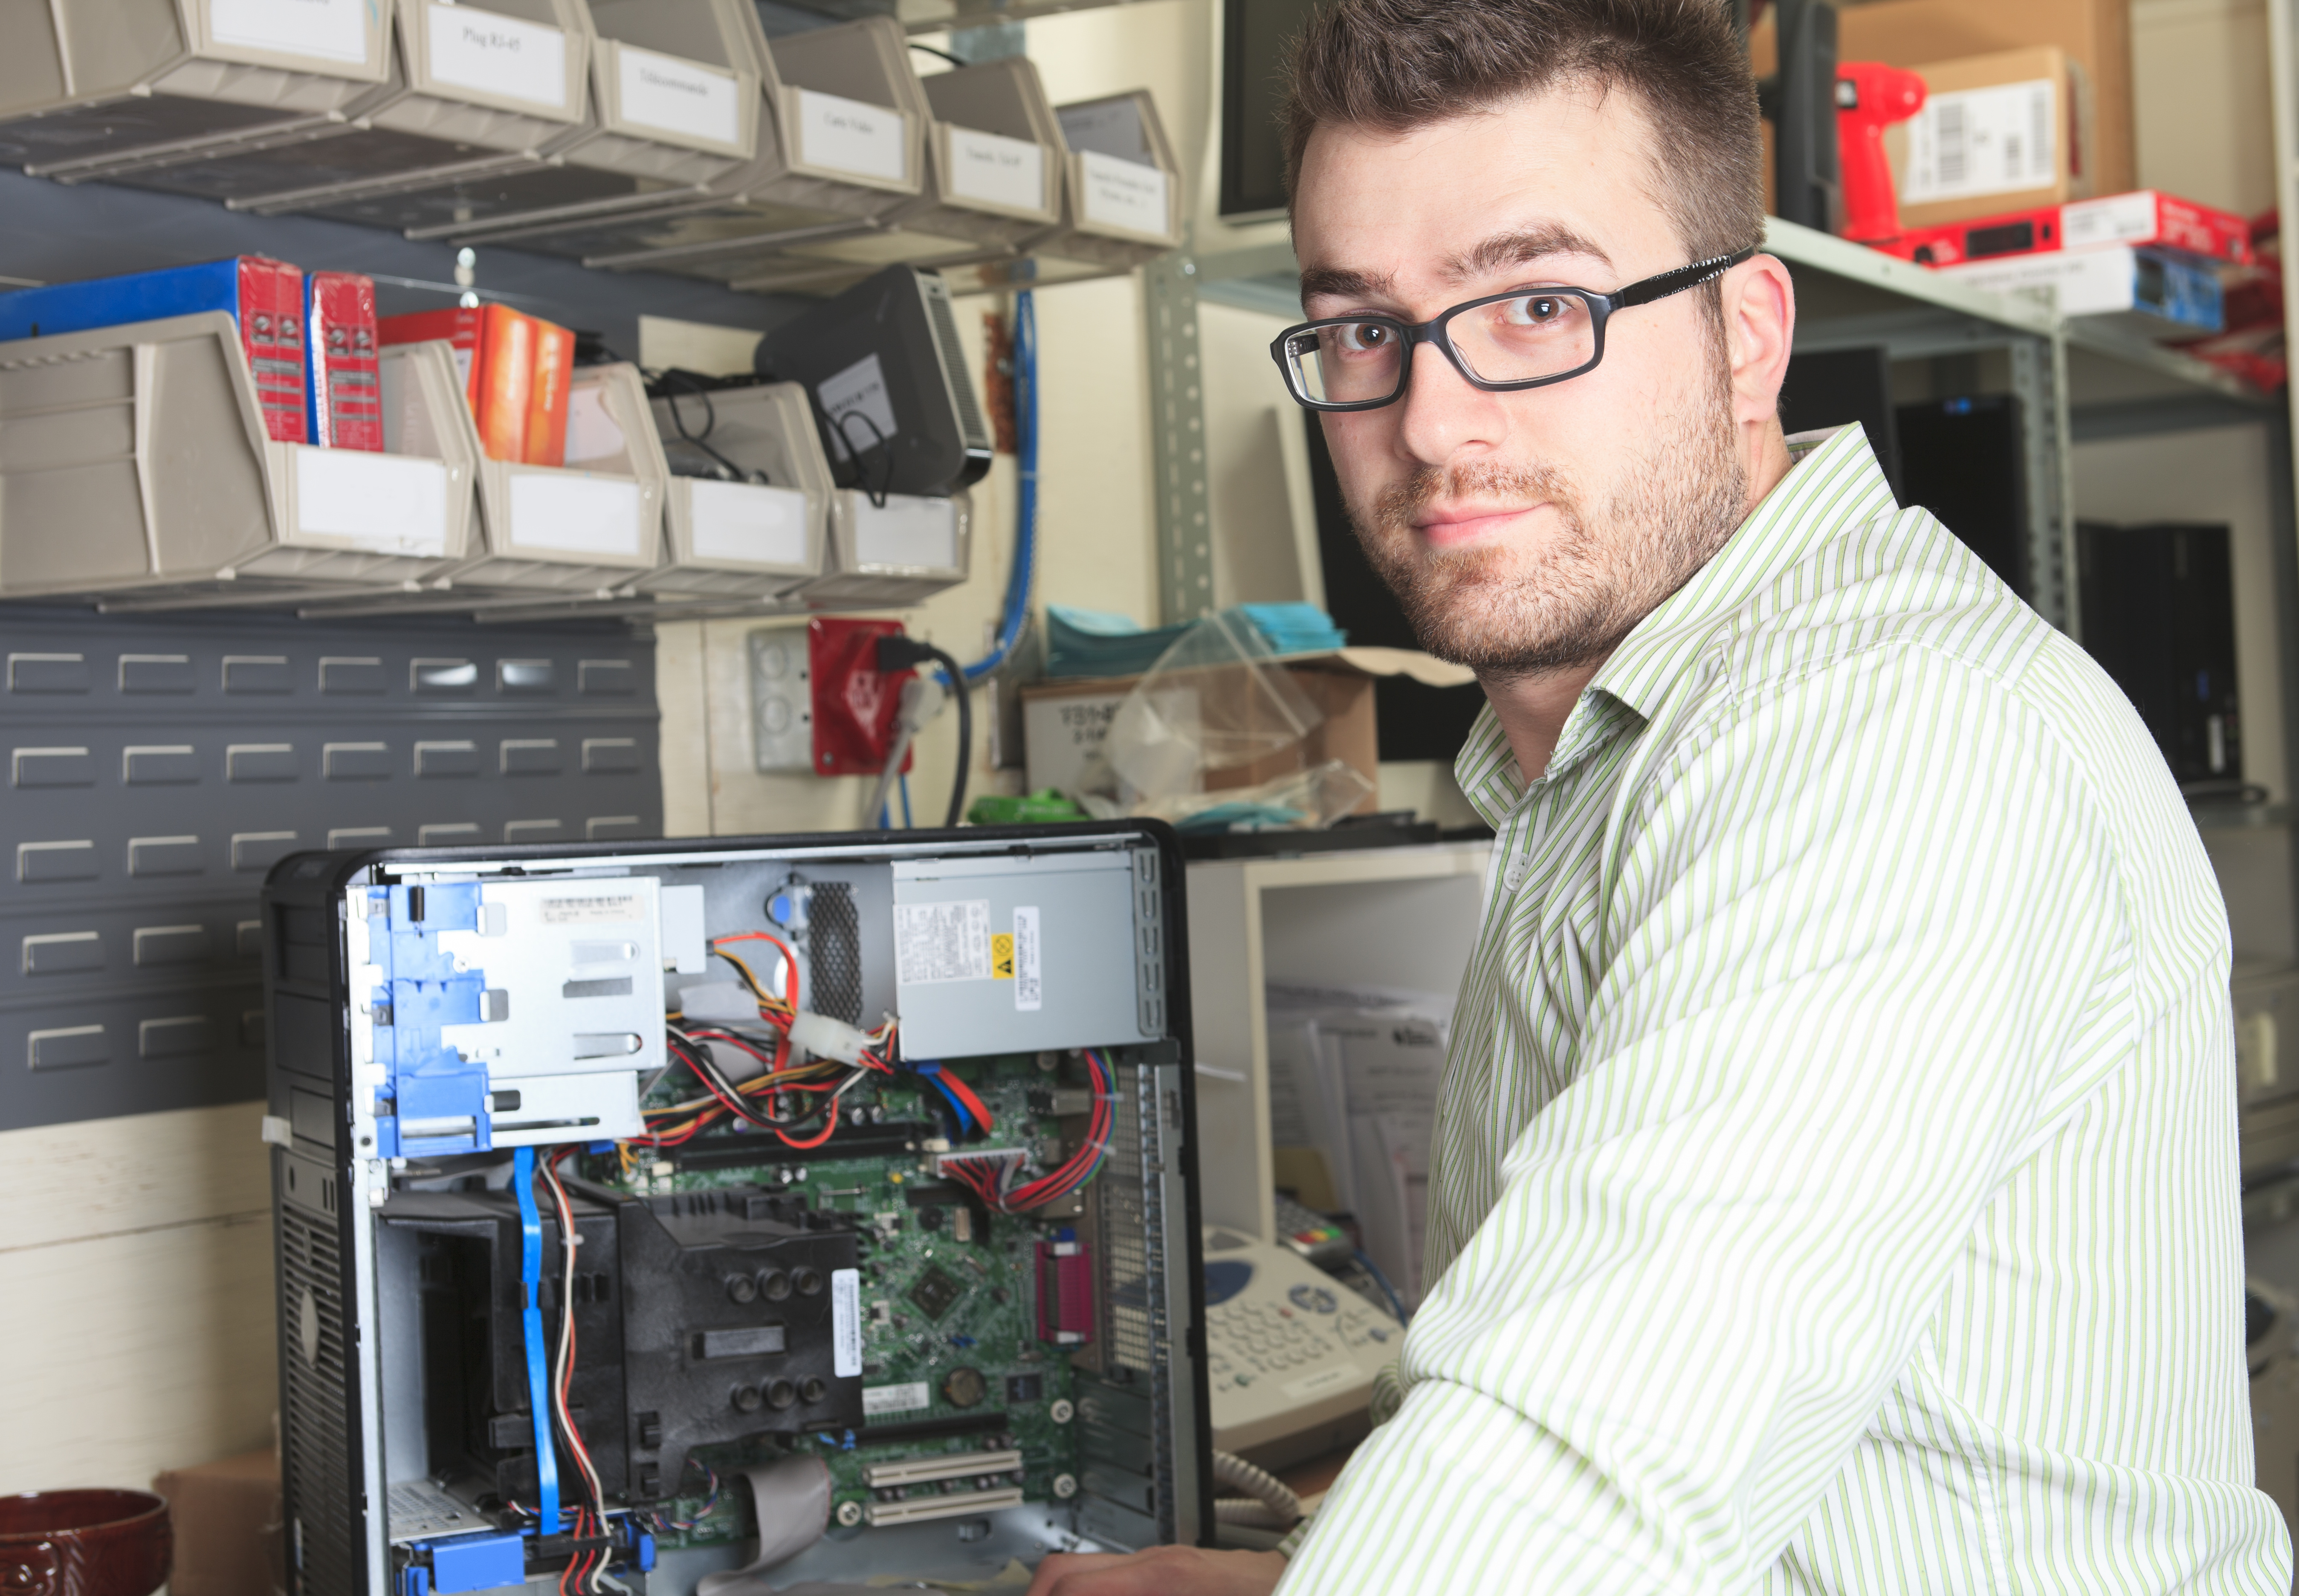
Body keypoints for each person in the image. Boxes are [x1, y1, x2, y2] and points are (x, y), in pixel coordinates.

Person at [1026, 0, 2291, 1591]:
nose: (1431, 422)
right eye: (1363, 329)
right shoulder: (1620, 752)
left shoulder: (1897, 738)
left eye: (1539, 305)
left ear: (1748, 332)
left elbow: (1584, 1474)